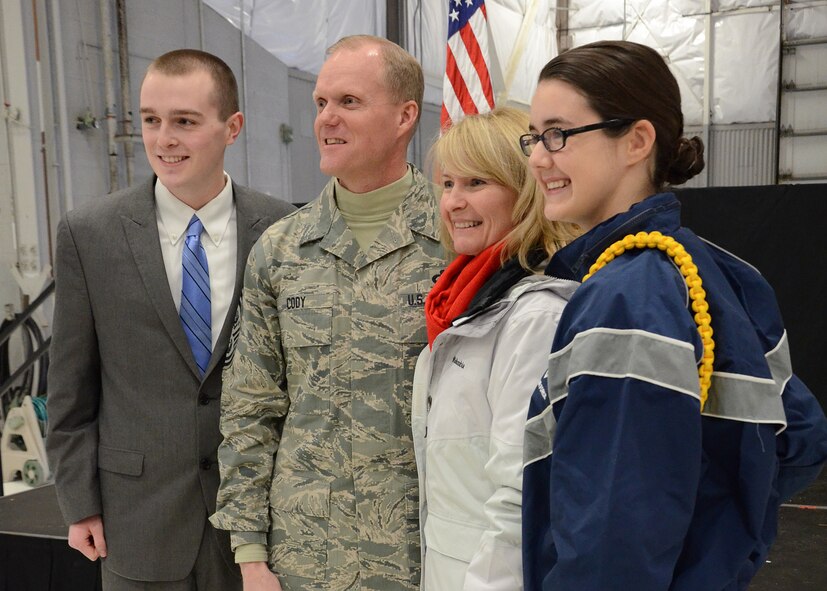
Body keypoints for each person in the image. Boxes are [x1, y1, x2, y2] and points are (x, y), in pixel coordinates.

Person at [520, 40, 827, 591]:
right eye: (534, 138)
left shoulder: (624, 297)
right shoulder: (720, 269)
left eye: (558, 134)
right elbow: (800, 437)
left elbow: (609, 547)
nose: (539, 158)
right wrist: (716, 541)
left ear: (637, 141)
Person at [46, 49, 294, 590]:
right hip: (136, 521)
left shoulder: (284, 231)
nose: (164, 139)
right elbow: (69, 389)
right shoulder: (89, 234)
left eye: (184, 121)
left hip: (259, 529)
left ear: (232, 128)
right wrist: (78, 502)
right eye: (151, 120)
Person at [209, 35, 445, 591]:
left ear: (406, 115)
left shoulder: (456, 241)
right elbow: (250, 405)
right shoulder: (281, 249)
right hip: (305, 555)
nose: (326, 120)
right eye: (320, 103)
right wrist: (249, 554)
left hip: (424, 552)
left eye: (349, 102)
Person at [411, 107, 578, 591]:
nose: (454, 203)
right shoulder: (465, 302)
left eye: (477, 183)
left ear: (524, 192)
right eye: (447, 184)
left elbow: (519, 495)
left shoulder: (534, 316)